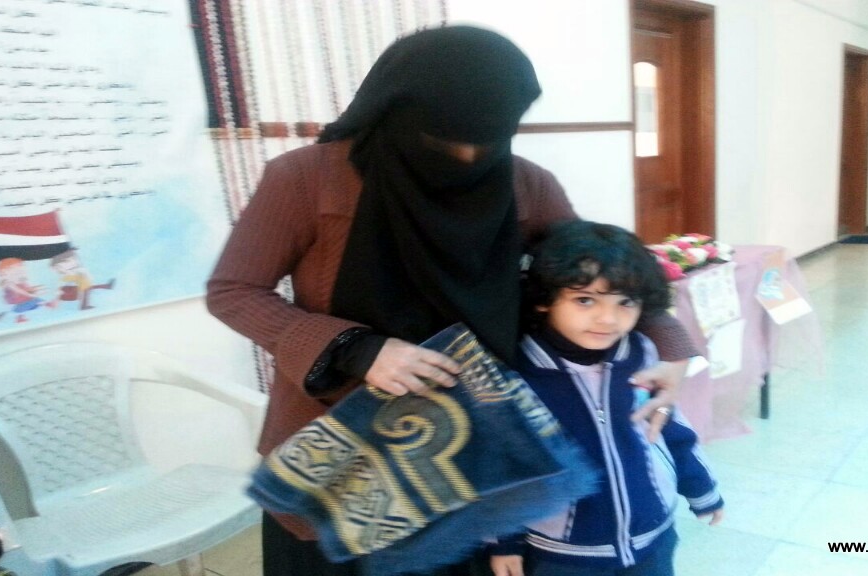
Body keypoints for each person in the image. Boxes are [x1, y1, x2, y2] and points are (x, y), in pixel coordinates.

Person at [206, 25, 698, 576]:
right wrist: (357, 349)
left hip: (473, 448)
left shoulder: (525, 184)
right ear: (395, 112)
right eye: (444, 141)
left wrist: (672, 346)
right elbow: (234, 290)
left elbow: (601, 270)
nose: (467, 156)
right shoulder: (307, 178)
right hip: (343, 442)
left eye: (487, 141)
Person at [488, 220, 724, 576]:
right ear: (545, 300)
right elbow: (501, 463)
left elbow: (671, 427)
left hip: (652, 536)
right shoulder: (519, 374)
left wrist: (702, 488)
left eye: (625, 302)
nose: (608, 319)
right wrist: (504, 541)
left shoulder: (643, 355)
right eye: (585, 300)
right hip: (561, 553)